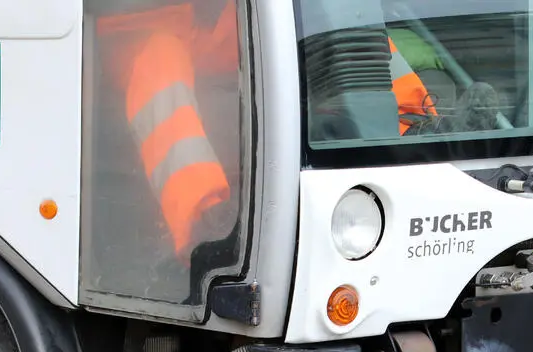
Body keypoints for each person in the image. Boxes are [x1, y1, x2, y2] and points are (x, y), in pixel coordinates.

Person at [99, 2, 437, 271]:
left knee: (342, 29)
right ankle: (203, 214)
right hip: (139, 26)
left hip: (231, 24)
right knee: (160, 62)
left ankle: (416, 127)